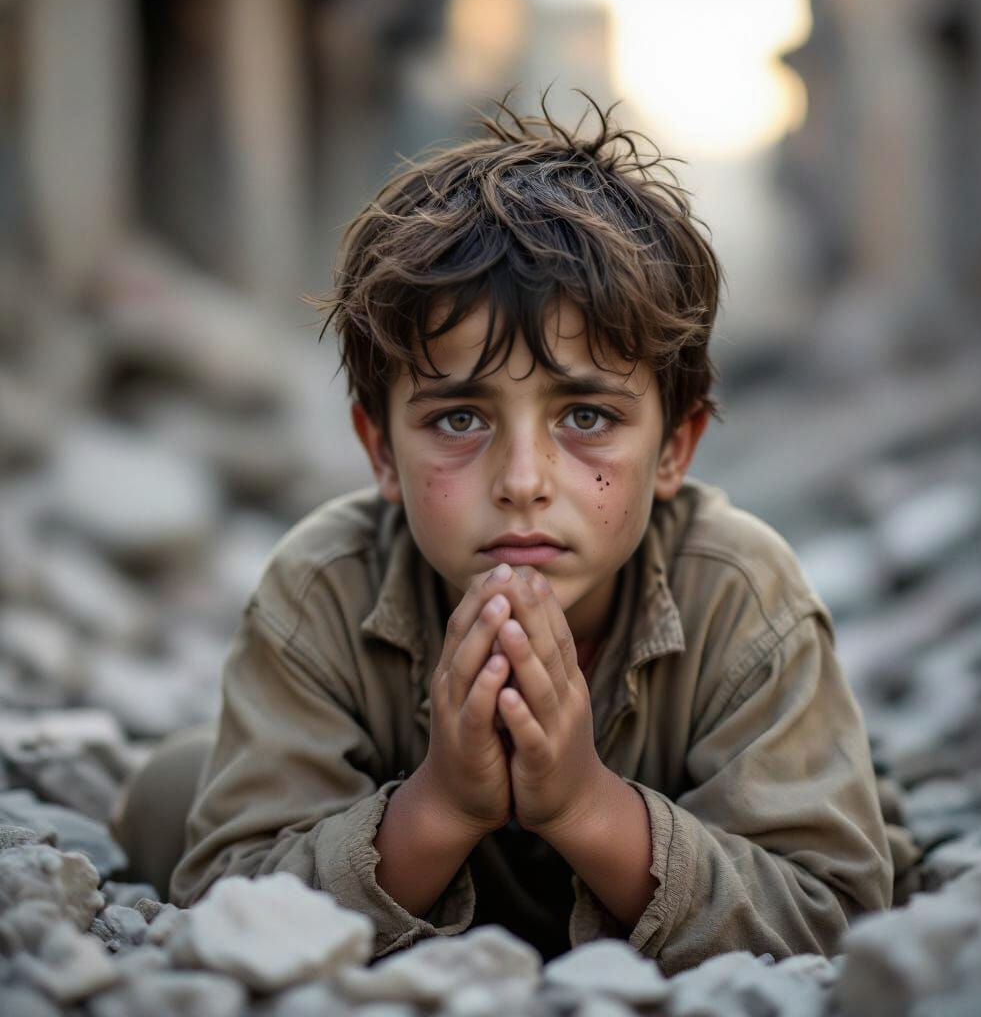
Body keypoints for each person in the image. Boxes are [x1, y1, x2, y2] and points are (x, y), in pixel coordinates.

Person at [114, 98, 895, 973]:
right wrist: (440, 805)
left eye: (588, 416)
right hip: (404, 851)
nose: (523, 481)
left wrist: (585, 806)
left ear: (675, 447)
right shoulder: (323, 587)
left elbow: (834, 911)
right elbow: (233, 897)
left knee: (850, 808)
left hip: (656, 859)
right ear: (380, 451)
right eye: (457, 421)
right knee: (169, 798)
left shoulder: (741, 593)